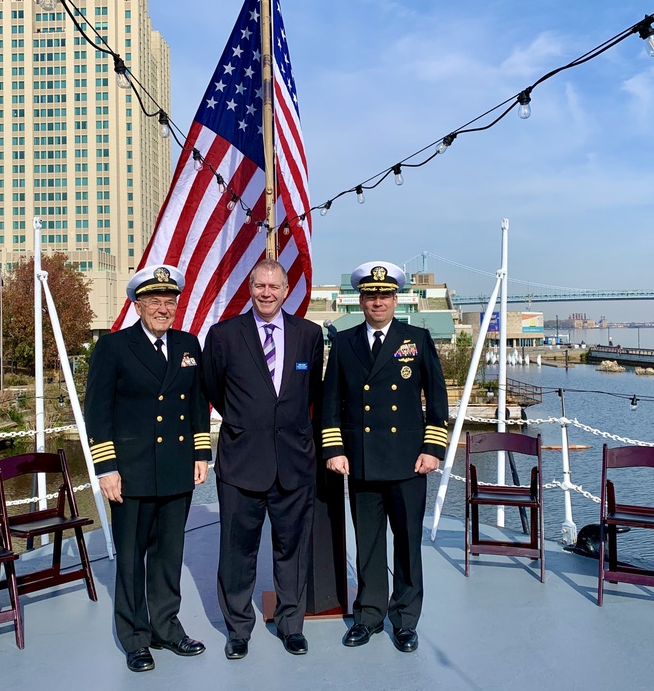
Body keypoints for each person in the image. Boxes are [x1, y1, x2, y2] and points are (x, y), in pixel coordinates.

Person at [84, 265, 211, 673]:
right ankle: (135, 637)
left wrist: (200, 454)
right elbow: (98, 413)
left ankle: (167, 627)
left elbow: (197, 404)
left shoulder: (188, 344)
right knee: (130, 559)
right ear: (137, 306)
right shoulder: (113, 347)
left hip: (176, 468)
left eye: (169, 301)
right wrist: (106, 468)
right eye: (154, 301)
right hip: (131, 472)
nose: (162, 308)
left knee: (168, 554)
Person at [321, 261, 449, 653]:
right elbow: (330, 403)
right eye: (370, 296)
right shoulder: (343, 342)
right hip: (361, 461)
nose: (378, 302)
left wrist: (433, 448)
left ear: (396, 299)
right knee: (369, 542)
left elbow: (437, 398)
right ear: (361, 300)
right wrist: (334, 449)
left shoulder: (417, 338)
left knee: (408, 543)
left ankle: (406, 619)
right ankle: (370, 615)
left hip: (409, 461)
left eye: (385, 296)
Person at [202, 258, 324, 660]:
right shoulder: (223, 336)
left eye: (274, 286)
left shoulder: (309, 335)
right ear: (250, 288)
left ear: (286, 290)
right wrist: (248, 421)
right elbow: (214, 389)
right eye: (259, 286)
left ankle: (292, 625)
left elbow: (310, 393)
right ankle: (238, 630)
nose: (266, 293)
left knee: (293, 550)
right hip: (241, 463)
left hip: (294, 462)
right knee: (237, 552)